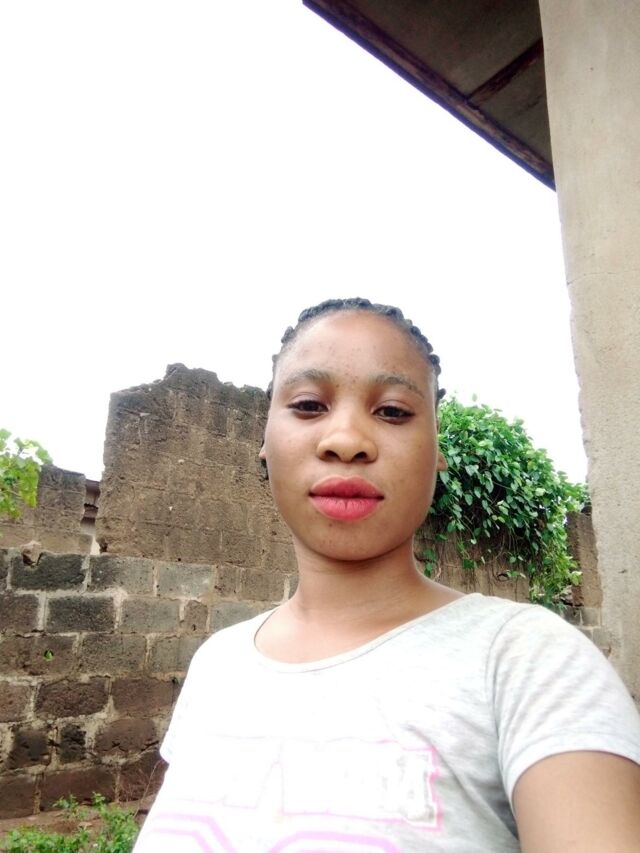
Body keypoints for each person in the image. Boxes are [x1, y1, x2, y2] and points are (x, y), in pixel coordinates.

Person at [134, 298, 640, 852]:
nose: (347, 440)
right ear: (265, 440)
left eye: (394, 411)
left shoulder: (529, 662)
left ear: (437, 449)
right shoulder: (218, 663)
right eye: (308, 405)